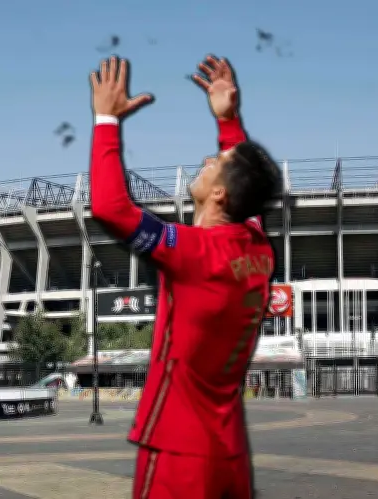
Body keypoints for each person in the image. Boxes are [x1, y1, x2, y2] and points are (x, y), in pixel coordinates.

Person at [88, 55, 281, 498]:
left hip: (179, 450)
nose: (207, 158)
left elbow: (110, 208)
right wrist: (228, 120)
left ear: (219, 193)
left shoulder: (194, 253)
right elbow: (245, 192)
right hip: (228, 451)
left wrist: (106, 120)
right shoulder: (257, 248)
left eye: (216, 161)